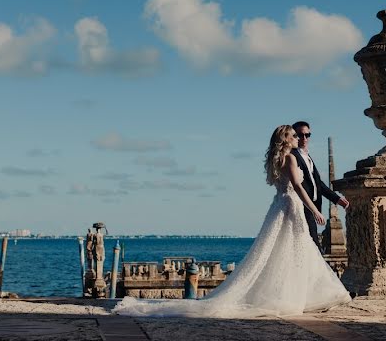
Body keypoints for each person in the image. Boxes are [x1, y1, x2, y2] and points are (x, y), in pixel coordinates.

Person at [114, 125, 350, 318]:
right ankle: (303, 296)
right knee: (295, 251)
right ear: (286, 139)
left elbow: (306, 184)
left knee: (288, 252)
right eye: (295, 135)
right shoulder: (289, 158)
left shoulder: (279, 159)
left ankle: (302, 295)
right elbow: (298, 187)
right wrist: (314, 210)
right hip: (291, 206)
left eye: (302, 135)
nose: (300, 138)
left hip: (281, 206)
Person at [291, 121, 349, 251]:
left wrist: (338, 199)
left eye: (307, 135)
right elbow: (297, 185)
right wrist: (314, 211)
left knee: (312, 247)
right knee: (313, 248)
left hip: (312, 208)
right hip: (301, 208)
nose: (304, 138)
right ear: (293, 136)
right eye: (300, 135)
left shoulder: (307, 156)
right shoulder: (292, 156)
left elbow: (318, 184)